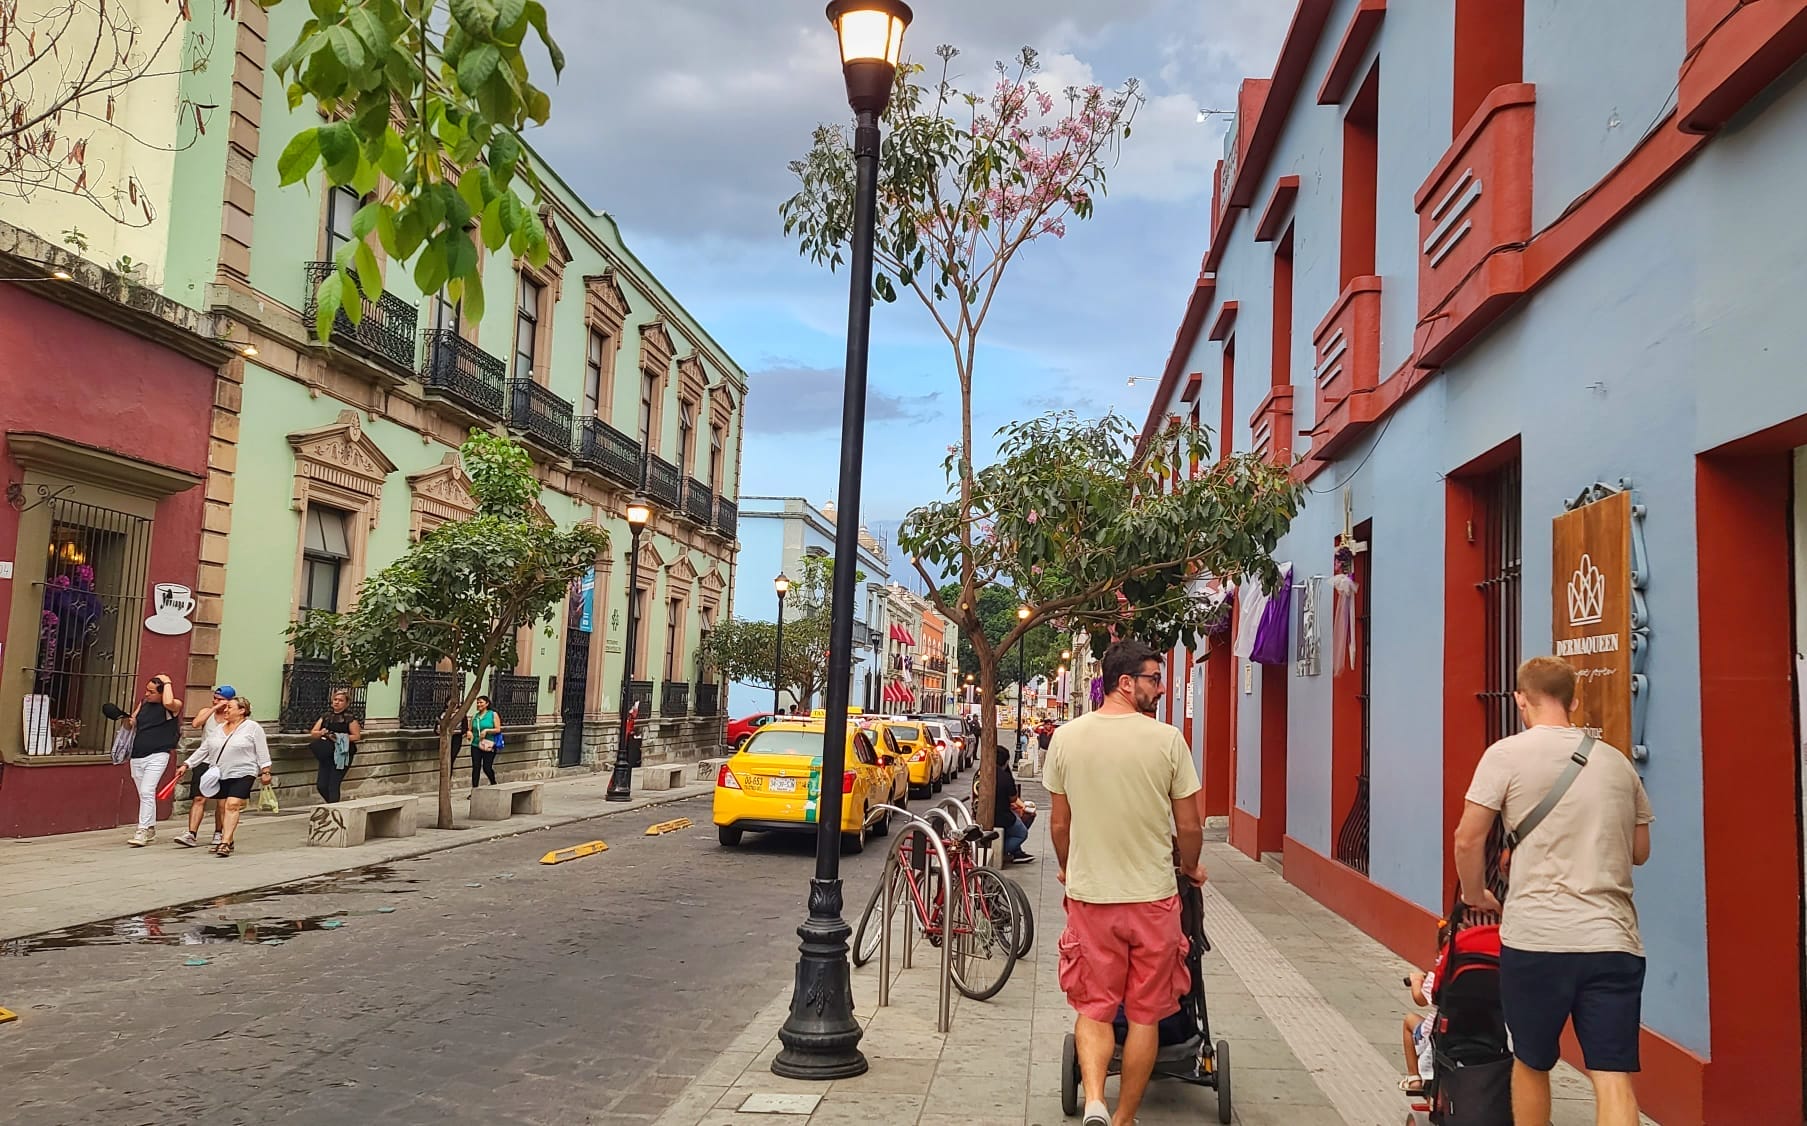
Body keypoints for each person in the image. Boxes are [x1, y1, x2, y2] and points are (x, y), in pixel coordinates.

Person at [1454, 656, 1654, 1126]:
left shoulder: (1504, 755)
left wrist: (1475, 893)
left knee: (1532, 1061)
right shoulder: (1617, 762)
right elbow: (1639, 850)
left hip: (1536, 939)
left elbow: (1467, 837)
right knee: (1612, 1074)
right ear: (1575, 701)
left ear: (1521, 699)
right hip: (1613, 940)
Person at [1045, 640, 1205, 1126]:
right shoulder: (1168, 741)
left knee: (1093, 1006)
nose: (1160, 688)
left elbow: (1058, 824)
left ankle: (1094, 1099)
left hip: (1091, 898)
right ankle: (1124, 1118)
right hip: (1153, 898)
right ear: (1126, 682)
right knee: (1144, 1014)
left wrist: (1070, 867)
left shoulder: (1067, 738)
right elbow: (1192, 826)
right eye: (1154, 679)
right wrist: (1190, 867)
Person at [176, 696, 271, 857]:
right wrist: (187, 764)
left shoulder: (252, 728)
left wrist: (266, 770)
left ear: (242, 711)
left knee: (232, 805)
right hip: (220, 772)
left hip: (243, 772)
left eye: (230, 707)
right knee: (223, 807)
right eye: (226, 707)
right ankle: (229, 839)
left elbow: (262, 750)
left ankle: (225, 843)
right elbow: (204, 749)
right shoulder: (219, 729)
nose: (225, 710)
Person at [120, 674, 184, 846]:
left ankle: (141, 831)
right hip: (138, 754)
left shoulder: (172, 706)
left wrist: (168, 681)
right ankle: (150, 828)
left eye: (151, 691)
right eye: (146, 690)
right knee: (144, 794)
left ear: (162, 692)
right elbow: (132, 723)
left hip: (158, 754)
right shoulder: (144, 703)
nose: (147, 694)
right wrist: (123, 718)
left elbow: (169, 702)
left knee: (148, 791)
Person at [174, 686, 235, 848]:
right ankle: (191, 833)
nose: (215, 701)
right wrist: (214, 708)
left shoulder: (233, 717)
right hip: (204, 762)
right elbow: (196, 723)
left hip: (225, 764)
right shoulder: (207, 712)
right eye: (214, 698)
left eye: (220, 699)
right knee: (199, 797)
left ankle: (219, 832)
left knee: (222, 802)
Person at [307, 688, 362, 803]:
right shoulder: (326, 716)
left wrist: (339, 737)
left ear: (346, 703)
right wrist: (322, 733)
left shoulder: (349, 718)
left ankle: (334, 811)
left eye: (340, 700)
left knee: (333, 785)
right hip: (326, 755)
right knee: (321, 785)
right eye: (335, 699)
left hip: (341, 755)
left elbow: (356, 736)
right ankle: (333, 806)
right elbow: (313, 733)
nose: (336, 702)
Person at [992, 746, 1033, 864]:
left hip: (995, 812)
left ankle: (1016, 851)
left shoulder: (981, 772)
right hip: (1002, 815)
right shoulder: (1004, 777)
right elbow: (1013, 798)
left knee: (1021, 815)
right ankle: (1003, 851)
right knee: (1022, 833)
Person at [469, 695, 501, 788]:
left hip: (489, 744)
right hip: (475, 744)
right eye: (478, 702)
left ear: (487, 704)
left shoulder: (493, 714)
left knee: (487, 767)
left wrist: (487, 730)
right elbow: (469, 729)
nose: (479, 704)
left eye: (481, 702)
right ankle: (474, 789)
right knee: (476, 767)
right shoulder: (475, 716)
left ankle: (493, 782)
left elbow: (498, 729)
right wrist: (469, 733)